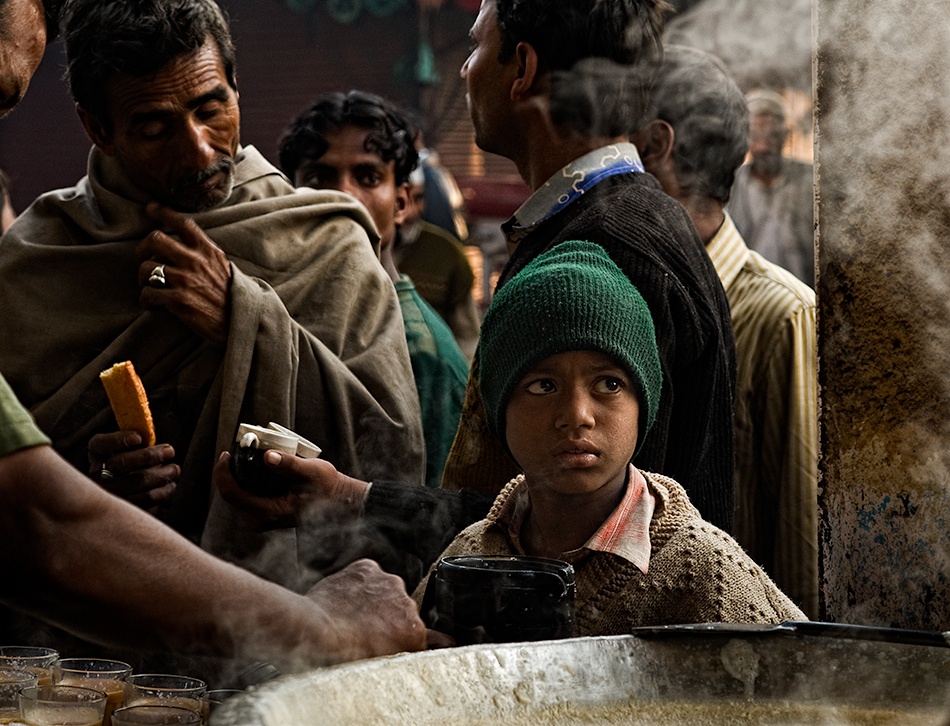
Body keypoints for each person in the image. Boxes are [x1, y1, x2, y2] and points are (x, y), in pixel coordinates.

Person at [0, 0, 424, 598]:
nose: (199, 149)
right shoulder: (37, 261)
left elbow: (393, 462)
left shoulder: (325, 242)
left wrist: (243, 316)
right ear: (98, 128)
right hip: (87, 658)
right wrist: (86, 483)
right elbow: (14, 498)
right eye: (154, 127)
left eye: (211, 108)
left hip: (292, 639)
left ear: (235, 88)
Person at [442, 0, 737, 532]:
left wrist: (356, 498)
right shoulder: (625, 221)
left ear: (523, 68)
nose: (466, 69)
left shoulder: (608, 250)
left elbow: (572, 528)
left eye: (475, 46)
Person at [413, 241, 806, 632]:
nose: (577, 416)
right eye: (542, 386)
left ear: (643, 406)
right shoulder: (469, 556)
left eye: (609, 384)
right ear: (499, 409)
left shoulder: (703, 573)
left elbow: (806, 681)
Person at [630, 46, 819, 618]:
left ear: (657, 148)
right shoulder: (630, 293)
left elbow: (799, 543)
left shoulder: (780, 314)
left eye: (621, 140)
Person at [277, 90, 468, 491]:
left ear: (401, 203)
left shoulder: (423, 353)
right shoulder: (273, 313)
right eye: (319, 177)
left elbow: (435, 514)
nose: (344, 196)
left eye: (368, 178)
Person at [727, 89, 815, 287]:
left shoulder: (811, 181)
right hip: (751, 295)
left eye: (772, 136)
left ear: (786, 135)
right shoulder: (730, 184)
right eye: (756, 136)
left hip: (806, 291)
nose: (764, 147)